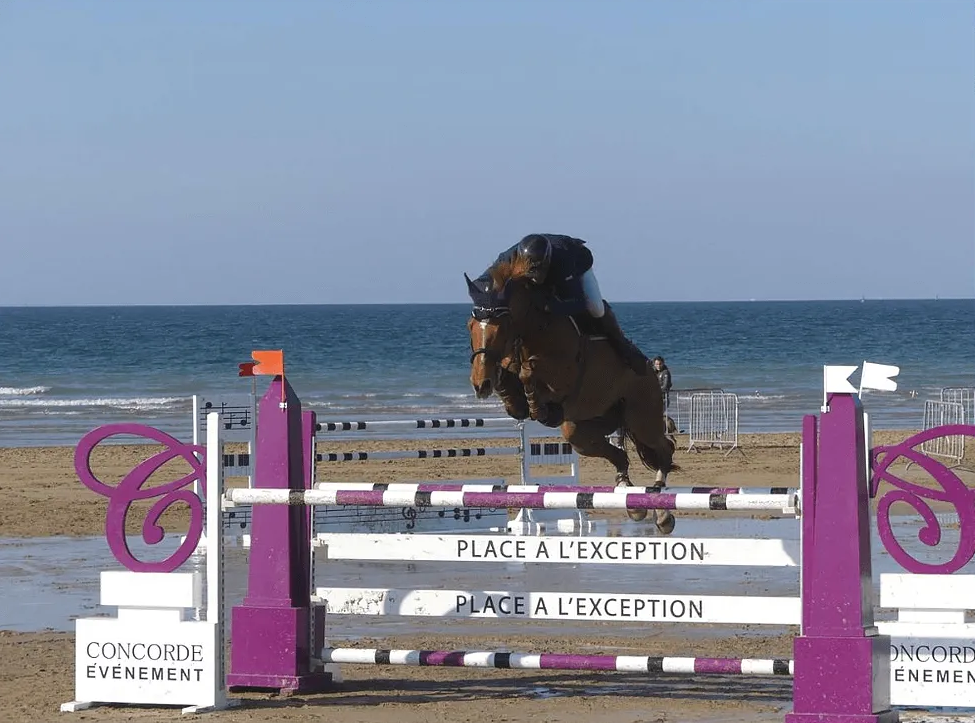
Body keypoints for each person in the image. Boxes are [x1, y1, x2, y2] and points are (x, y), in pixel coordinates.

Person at [476, 233, 651, 376]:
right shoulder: (509, 258)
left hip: (577, 266)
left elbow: (578, 303)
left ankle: (623, 347)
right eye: (533, 272)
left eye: (539, 272)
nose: (537, 278)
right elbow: (484, 280)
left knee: (595, 309)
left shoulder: (564, 262)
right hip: (534, 270)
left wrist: (551, 307)